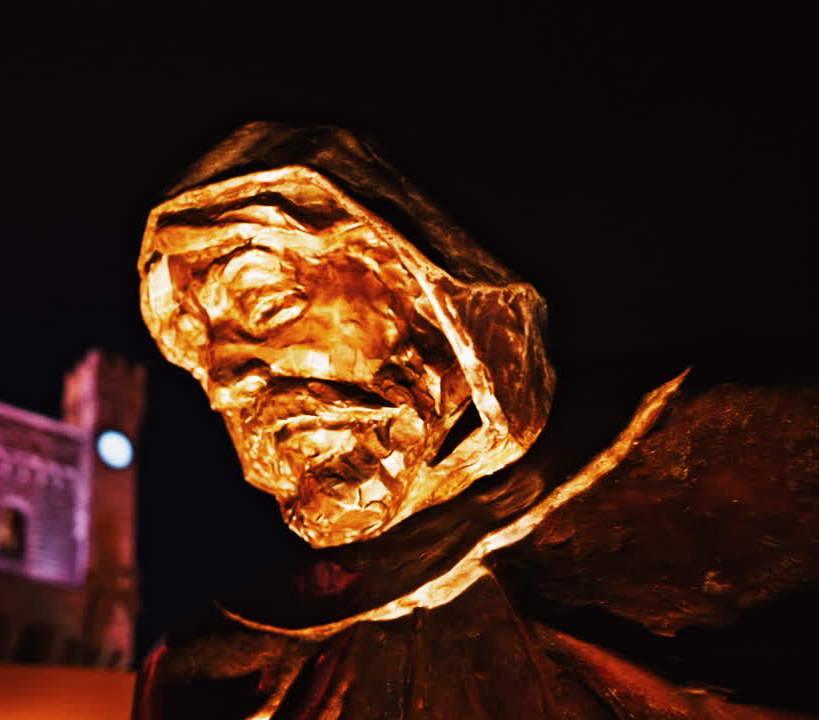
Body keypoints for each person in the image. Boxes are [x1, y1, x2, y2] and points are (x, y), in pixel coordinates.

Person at [132, 122, 819, 719]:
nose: (230, 382)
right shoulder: (216, 677)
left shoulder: (755, 483)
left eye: (268, 302)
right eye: (201, 359)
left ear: (430, 279)